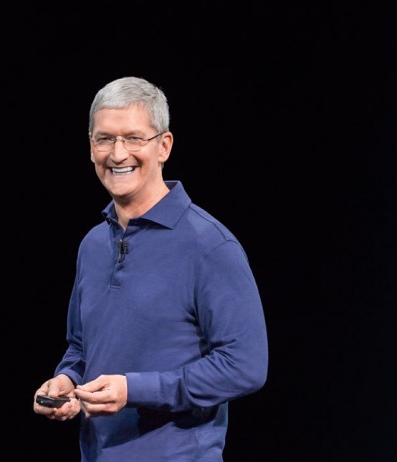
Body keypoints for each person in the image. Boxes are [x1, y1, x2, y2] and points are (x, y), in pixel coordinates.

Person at [33, 76, 269, 461]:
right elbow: (81, 347)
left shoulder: (210, 246)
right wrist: (67, 379)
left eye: (133, 138)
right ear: (91, 146)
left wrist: (134, 390)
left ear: (164, 146)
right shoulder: (93, 245)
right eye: (104, 139)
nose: (118, 154)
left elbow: (244, 366)